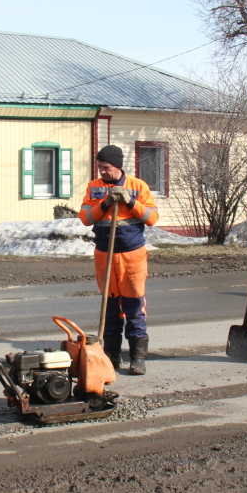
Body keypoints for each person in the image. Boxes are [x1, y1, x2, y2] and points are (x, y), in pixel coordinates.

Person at [78, 144, 159, 375]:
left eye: (106, 168)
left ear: (117, 166)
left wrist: (130, 202)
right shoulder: (94, 187)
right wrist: (105, 203)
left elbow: (152, 217)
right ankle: (112, 357)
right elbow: (85, 218)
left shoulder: (137, 186)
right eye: (99, 167)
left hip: (132, 255)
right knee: (109, 306)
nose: (102, 171)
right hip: (104, 255)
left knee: (134, 306)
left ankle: (137, 358)